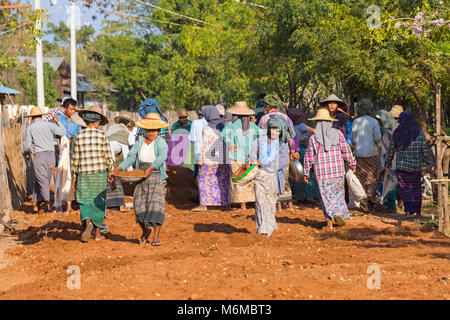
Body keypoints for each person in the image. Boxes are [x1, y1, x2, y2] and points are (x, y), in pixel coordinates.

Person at [111, 113, 169, 246]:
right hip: (140, 177)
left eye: (154, 130)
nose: (151, 133)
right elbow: (131, 158)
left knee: (156, 206)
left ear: (158, 131)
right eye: (148, 130)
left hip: (155, 176)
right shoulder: (140, 142)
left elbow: (161, 158)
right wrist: (118, 169)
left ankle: (155, 237)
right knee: (138, 205)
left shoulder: (161, 143)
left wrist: (150, 168)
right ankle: (145, 231)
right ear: (144, 130)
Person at [304, 109, 357, 230]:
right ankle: (337, 213)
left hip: (322, 173)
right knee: (337, 195)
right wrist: (352, 164)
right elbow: (346, 151)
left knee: (325, 197)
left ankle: (329, 222)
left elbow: (309, 157)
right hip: (338, 171)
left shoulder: (314, 138)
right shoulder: (338, 134)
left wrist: (306, 172)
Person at [71, 106, 114, 243]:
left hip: (83, 173)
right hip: (99, 173)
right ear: (96, 123)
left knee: (84, 201)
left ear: (86, 121)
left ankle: (87, 221)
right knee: (98, 202)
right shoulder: (102, 135)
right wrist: (111, 173)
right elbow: (108, 156)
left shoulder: (78, 136)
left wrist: (73, 178)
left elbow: (75, 159)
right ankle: (97, 235)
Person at [385, 111, 433, 217]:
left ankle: (407, 211)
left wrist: (388, 162)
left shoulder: (397, 133)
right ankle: (418, 212)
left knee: (405, 189)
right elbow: (424, 150)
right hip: (416, 167)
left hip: (402, 168)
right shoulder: (419, 133)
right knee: (416, 188)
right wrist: (429, 164)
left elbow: (391, 149)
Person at [249, 115, 287, 237]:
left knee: (270, 204)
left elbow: (279, 163)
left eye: (277, 128)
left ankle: (270, 226)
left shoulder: (282, 144)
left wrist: (260, 162)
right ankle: (263, 229)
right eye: (272, 127)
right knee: (260, 203)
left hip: (272, 177)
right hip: (260, 175)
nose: (274, 131)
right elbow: (251, 156)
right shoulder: (260, 141)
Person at [24, 106, 67, 213]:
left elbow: (26, 146)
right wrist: (58, 122)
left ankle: (48, 205)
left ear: (32, 117)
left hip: (39, 156)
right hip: (51, 155)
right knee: (42, 180)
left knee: (41, 180)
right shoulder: (49, 125)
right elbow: (62, 132)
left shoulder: (30, 128)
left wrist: (27, 153)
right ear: (41, 116)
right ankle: (36, 203)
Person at [222, 102, 261, 211]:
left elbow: (223, 134)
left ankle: (242, 205)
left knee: (238, 179)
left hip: (237, 156)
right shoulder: (253, 125)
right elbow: (261, 135)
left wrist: (230, 143)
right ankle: (252, 203)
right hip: (251, 157)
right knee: (249, 179)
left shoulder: (231, 125)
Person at [192, 105, 230, 211]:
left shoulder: (207, 129)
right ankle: (225, 203)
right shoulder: (224, 127)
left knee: (203, 179)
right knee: (223, 180)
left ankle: (204, 204)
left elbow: (204, 146)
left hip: (209, 160)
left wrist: (200, 160)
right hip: (224, 160)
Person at [351, 98, 382, 212]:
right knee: (372, 177)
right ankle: (371, 201)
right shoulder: (374, 122)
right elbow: (378, 138)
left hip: (359, 154)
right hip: (372, 153)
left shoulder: (356, 122)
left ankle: (363, 200)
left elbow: (353, 140)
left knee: (361, 177)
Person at [286, 108, 320, 203]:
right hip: (303, 151)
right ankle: (310, 195)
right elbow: (312, 131)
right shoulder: (301, 125)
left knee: (296, 174)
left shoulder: (291, 127)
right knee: (308, 173)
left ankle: (299, 196)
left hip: (295, 151)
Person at [55, 96, 81, 213]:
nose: (73, 112)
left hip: (74, 151)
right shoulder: (58, 120)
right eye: (71, 109)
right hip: (62, 151)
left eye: (74, 110)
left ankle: (76, 202)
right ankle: (67, 204)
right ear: (65, 108)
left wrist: (72, 140)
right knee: (65, 175)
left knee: (74, 175)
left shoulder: (77, 121)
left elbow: (79, 135)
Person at [376, 109, 398, 212]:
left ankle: (389, 205)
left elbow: (385, 148)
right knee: (390, 182)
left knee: (387, 182)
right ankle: (390, 205)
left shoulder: (384, 133)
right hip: (392, 160)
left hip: (387, 160)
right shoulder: (394, 130)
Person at [106, 123, 130, 212]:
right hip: (110, 162)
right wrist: (130, 173)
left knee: (108, 184)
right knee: (117, 183)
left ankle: (109, 206)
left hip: (106, 161)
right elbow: (128, 158)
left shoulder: (110, 139)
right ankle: (121, 206)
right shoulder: (122, 142)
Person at [189, 107, 208, 177]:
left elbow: (192, 138)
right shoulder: (213, 123)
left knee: (197, 176)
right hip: (210, 156)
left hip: (198, 154)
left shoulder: (195, 123)